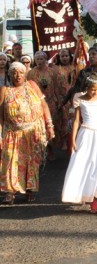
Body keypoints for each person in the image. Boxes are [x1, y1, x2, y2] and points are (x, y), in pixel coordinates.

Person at [62, 72, 97, 215]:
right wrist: (73, 139)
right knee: (90, 166)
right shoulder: (79, 99)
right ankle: (92, 200)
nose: (95, 92)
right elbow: (76, 120)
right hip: (86, 134)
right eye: (93, 89)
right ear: (87, 87)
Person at [0, 62, 54, 204]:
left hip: (32, 132)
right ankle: (9, 192)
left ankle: (30, 189)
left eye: (21, 72)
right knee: (10, 161)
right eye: (14, 73)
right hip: (12, 133)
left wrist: (50, 126)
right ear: (10, 74)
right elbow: (0, 116)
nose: (18, 75)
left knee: (31, 161)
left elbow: (44, 105)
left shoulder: (32, 85)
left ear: (25, 74)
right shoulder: (5, 90)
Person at [28, 51, 58, 158]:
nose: (39, 61)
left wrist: (57, 99)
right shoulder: (31, 73)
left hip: (50, 102)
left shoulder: (52, 72)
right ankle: (41, 150)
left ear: (45, 59)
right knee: (40, 126)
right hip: (37, 103)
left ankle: (50, 149)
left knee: (50, 125)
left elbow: (56, 86)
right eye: (37, 59)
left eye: (41, 59)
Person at [53, 48, 75, 150]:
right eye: (62, 56)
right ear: (59, 57)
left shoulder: (74, 68)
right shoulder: (55, 69)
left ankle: (71, 141)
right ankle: (62, 142)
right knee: (62, 120)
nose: (64, 58)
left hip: (73, 98)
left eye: (66, 56)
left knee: (71, 119)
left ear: (70, 56)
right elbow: (54, 84)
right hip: (61, 98)